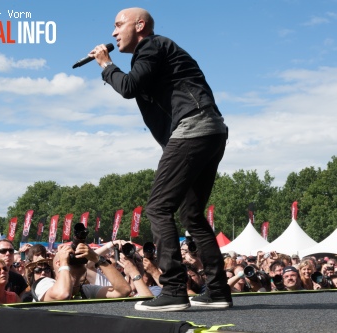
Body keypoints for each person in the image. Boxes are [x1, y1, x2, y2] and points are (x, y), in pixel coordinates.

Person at [92, 7, 229, 312]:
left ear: (139, 25)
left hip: (195, 128)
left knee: (157, 207)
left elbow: (128, 88)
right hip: (210, 130)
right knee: (192, 215)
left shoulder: (151, 45)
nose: (113, 33)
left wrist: (105, 65)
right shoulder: (154, 54)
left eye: (118, 25)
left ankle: (174, 290)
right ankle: (218, 291)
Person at [31, 244, 131, 302]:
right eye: (71, 257)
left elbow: (124, 290)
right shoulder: (45, 283)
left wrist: (96, 258)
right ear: (58, 263)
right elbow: (62, 294)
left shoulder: (86, 290)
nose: (76, 260)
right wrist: (64, 262)